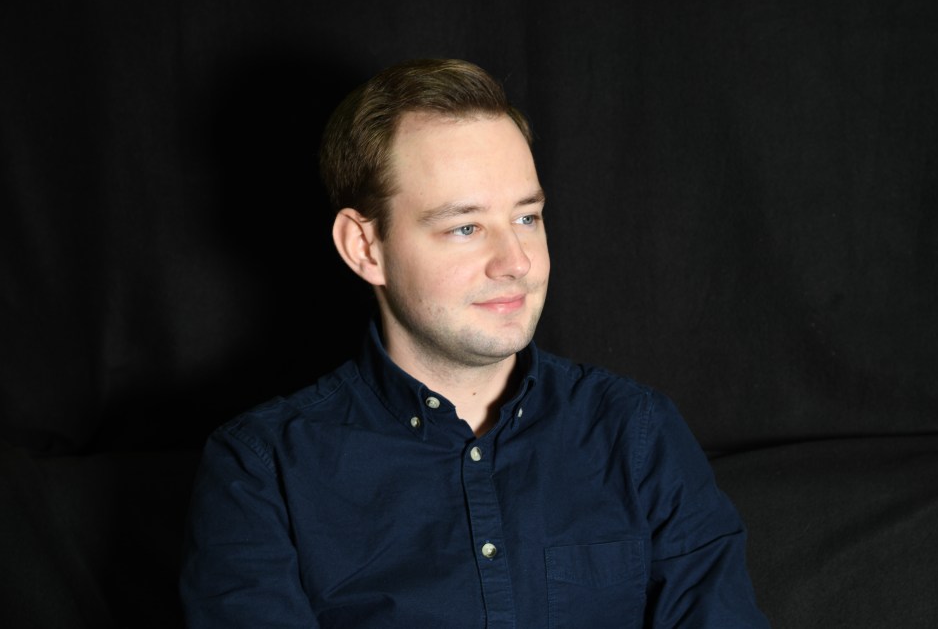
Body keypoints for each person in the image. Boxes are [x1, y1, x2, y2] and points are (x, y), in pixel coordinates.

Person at [180, 58, 769, 628]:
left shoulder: (636, 432)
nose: (515, 262)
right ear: (365, 248)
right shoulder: (260, 472)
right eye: (465, 227)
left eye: (527, 218)